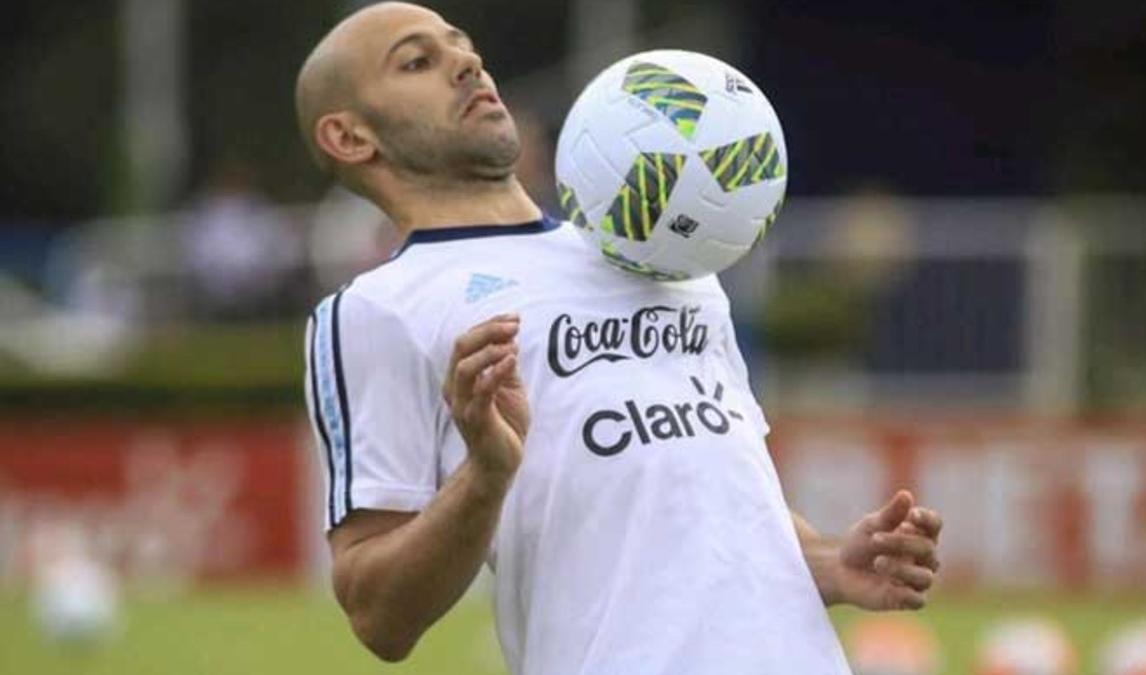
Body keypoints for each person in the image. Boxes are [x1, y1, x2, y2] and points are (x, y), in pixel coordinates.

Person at [295, 3, 943, 674]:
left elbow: (717, 494)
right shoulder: (378, 310)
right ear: (349, 136)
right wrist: (486, 474)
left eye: (462, 46)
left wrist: (829, 563)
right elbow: (378, 614)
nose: (467, 63)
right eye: (417, 61)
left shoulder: (656, 245)